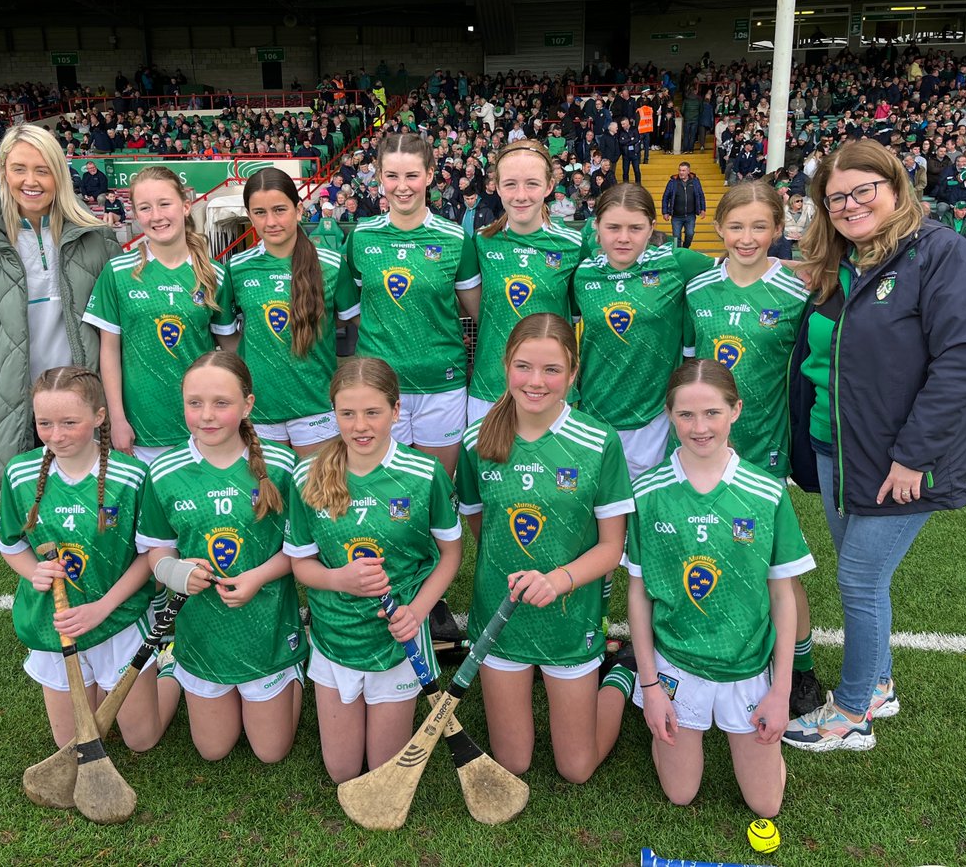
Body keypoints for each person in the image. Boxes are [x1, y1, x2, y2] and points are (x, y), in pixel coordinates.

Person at [785, 139, 966, 752]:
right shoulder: (841, 264)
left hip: (897, 459)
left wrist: (913, 457)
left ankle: (850, 714)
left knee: (857, 580)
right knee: (866, 580)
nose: (849, 205)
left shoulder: (942, 254)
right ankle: (877, 685)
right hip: (835, 450)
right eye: (836, 197)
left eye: (862, 191)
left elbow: (962, 362)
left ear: (896, 188)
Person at [624, 359, 814, 818]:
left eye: (711, 412)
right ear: (669, 415)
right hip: (677, 663)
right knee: (681, 793)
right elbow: (638, 594)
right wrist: (650, 686)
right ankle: (629, 680)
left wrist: (781, 689)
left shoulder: (766, 492)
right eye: (686, 414)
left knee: (765, 805)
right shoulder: (647, 492)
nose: (699, 426)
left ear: (736, 411)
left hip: (745, 665)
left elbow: (782, 597)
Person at [458, 313, 634, 784]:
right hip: (501, 615)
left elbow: (612, 546)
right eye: (524, 367)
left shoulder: (599, 441)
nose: (536, 382)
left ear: (573, 374)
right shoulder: (475, 440)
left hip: (569, 616)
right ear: (505, 365)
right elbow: (481, 523)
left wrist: (557, 580)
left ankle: (620, 674)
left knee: (576, 769)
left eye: (552, 370)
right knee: (513, 763)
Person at [284, 357, 462, 782]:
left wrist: (417, 612)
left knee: (383, 770)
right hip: (335, 635)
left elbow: (451, 556)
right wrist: (337, 579)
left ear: (396, 411)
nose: (360, 425)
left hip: (397, 640)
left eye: (373, 412)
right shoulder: (307, 475)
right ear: (333, 414)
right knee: (342, 772)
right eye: (347, 413)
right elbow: (301, 565)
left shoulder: (424, 474)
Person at [682, 180, 821, 717]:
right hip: (702, 447)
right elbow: (692, 370)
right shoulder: (699, 290)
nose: (747, 237)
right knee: (708, 551)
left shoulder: (795, 293)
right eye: (736, 226)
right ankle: (713, 648)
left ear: (779, 230)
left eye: (760, 226)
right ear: (718, 228)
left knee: (775, 567)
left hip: (763, 450)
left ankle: (803, 669)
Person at [0, 366, 178, 750]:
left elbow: (148, 556)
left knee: (141, 741)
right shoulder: (19, 474)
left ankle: (170, 669)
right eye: (44, 423)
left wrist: (102, 608)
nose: (56, 435)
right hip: (54, 623)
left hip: (118, 619)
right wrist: (34, 572)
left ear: (98, 416)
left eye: (69, 422)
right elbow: (9, 543)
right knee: (73, 744)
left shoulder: (131, 476)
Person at [138, 352, 308, 762]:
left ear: (247, 405)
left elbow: (300, 551)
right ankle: (172, 665)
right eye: (194, 403)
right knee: (212, 750)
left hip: (265, 629)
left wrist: (258, 577)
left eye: (221, 403)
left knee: (271, 752)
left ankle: (296, 665)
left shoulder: (282, 466)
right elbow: (155, 550)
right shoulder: (163, 471)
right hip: (203, 635)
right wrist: (175, 571)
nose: (206, 416)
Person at [0, 124, 122, 496]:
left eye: (42, 170)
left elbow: (122, 333)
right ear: (3, 173)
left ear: (58, 175)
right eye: (19, 169)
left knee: (104, 519)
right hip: (17, 409)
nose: (31, 181)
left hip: (89, 405)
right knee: (30, 522)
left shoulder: (98, 240)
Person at [343, 133, 481, 478]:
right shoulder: (361, 237)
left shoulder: (455, 239)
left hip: (442, 384)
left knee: (434, 489)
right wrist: (388, 334)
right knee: (386, 489)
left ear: (430, 175)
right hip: (379, 385)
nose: (401, 187)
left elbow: (476, 311)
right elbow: (356, 309)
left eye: (411, 175)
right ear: (378, 176)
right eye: (392, 176)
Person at [84, 165, 237, 465]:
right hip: (141, 428)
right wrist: (117, 419)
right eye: (145, 207)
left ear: (185, 205)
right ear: (136, 214)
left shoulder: (215, 275)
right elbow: (109, 351)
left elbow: (230, 349)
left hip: (204, 425)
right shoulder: (118, 273)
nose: (156, 216)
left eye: (164, 204)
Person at [573, 183, 713, 480]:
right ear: (597, 227)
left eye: (635, 228)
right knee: (602, 510)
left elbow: (740, 268)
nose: (623, 238)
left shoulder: (675, 263)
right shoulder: (583, 272)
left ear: (651, 228)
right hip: (594, 410)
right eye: (613, 227)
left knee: (647, 509)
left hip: (653, 416)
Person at [229, 166, 356, 457]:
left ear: (299, 210)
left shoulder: (332, 264)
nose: (271, 221)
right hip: (259, 407)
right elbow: (229, 338)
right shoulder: (236, 268)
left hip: (315, 407)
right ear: (249, 215)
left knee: (317, 498)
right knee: (268, 500)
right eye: (259, 212)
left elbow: (348, 321)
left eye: (279, 210)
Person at [469, 140, 584, 424]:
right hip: (491, 385)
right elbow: (478, 310)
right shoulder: (480, 242)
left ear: (548, 187)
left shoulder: (574, 244)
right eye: (510, 184)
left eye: (532, 184)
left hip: (551, 389)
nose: (521, 195)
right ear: (496, 186)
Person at [661, 162, 707, 249]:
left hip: (690, 215)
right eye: (680, 170)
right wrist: (665, 212)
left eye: (683, 170)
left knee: (690, 234)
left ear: (688, 171)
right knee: (676, 237)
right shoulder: (672, 182)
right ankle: (679, 253)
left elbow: (701, 195)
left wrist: (703, 209)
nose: (681, 172)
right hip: (676, 216)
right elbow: (665, 197)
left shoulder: (695, 181)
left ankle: (685, 249)